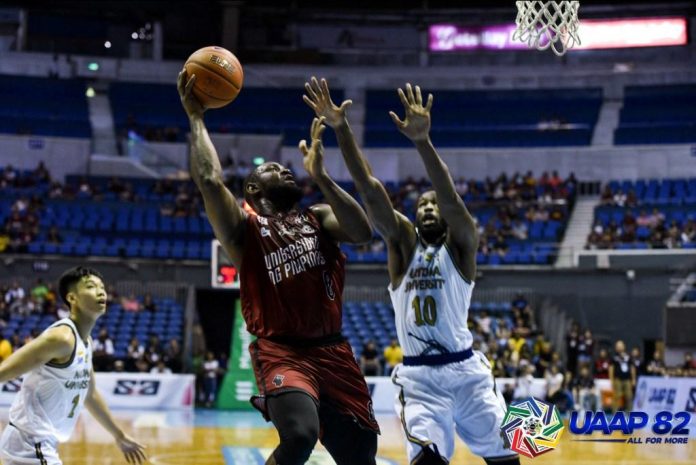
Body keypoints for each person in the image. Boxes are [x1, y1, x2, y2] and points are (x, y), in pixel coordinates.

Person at [303, 76, 519, 465]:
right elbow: (370, 188)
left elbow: (452, 199)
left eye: (434, 205)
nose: (429, 208)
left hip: (468, 371)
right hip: (420, 380)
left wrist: (422, 142)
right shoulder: (403, 246)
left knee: (508, 459)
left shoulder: (461, 244)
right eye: (422, 205)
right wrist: (342, 128)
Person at [178, 69, 379, 465]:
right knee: (300, 434)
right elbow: (208, 179)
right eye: (272, 169)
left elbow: (362, 232)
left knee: (361, 456)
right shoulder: (243, 231)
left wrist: (321, 176)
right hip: (282, 351)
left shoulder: (319, 216)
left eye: (287, 169)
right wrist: (196, 117)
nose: (285, 169)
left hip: (333, 350)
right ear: (253, 189)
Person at [0, 266, 146, 465]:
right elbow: (3, 371)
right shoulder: (61, 338)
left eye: (102, 287)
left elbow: (90, 394)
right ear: (72, 298)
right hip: (31, 443)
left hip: (40, 442)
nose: (101, 291)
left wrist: (119, 435)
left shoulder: (86, 342)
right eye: (91, 287)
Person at [609, 340, 636, 413]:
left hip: (627, 379)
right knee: (617, 396)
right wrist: (611, 380)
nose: (619, 347)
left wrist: (633, 379)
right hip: (618, 379)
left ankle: (629, 412)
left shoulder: (628, 356)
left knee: (629, 396)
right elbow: (611, 369)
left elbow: (632, 368)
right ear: (615, 348)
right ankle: (614, 413)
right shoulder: (614, 357)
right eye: (618, 346)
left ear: (624, 346)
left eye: (620, 345)